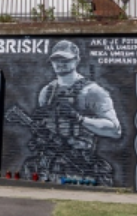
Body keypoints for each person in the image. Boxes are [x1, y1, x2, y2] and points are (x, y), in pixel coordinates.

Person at [24, 41, 122, 185]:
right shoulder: (47, 92)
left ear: (76, 60)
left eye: (65, 59)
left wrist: (79, 118)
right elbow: (47, 125)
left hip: (79, 163)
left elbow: (115, 130)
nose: (59, 63)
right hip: (50, 164)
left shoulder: (92, 91)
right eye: (56, 60)